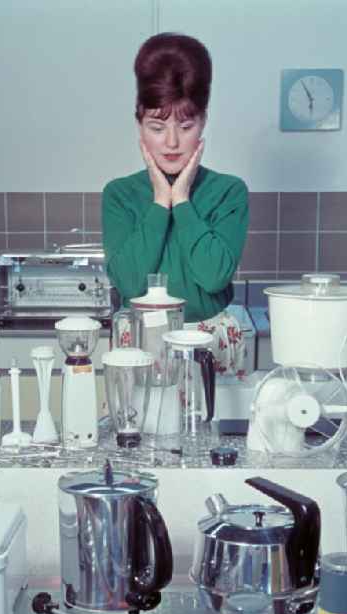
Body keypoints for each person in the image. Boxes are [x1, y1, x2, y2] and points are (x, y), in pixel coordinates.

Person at [102, 32, 250, 377]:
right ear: (139, 121)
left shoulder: (228, 191)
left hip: (210, 340)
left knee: (215, 428)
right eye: (157, 126)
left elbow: (213, 278)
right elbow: (129, 283)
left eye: (186, 125)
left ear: (203, 121)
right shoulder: (120, 194)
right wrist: (159, 202)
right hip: (137, 340)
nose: (171, 142)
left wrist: (181, 200)